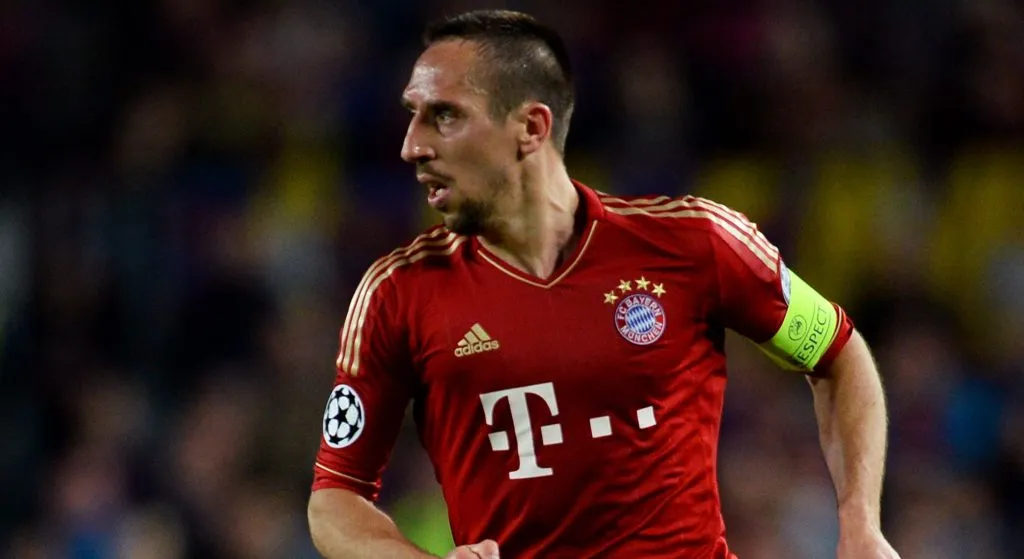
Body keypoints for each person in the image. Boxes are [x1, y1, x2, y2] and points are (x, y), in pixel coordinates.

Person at [307, 9, 901, 559]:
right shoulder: (396, 293)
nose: (413, 145)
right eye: (413, 115)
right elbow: (336, 497)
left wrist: (860, 526)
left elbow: (837, 354)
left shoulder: (694, 243)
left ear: (531, 127)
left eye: (444, 115)